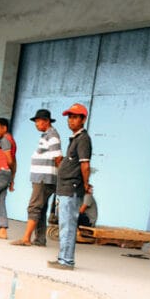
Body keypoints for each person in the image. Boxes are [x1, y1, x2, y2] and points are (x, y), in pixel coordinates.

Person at [49, 103, 93, 271]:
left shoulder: (83, 140)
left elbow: (85, 165)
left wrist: (86, 184)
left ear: (83, 119)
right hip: (65, 188)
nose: (71, 121)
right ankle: (62, 258)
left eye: (75, 117)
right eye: (70, 117)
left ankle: (67, 261)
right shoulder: (75, 139)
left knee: (68, 225)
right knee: (64, 225)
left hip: (71, 188)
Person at [11, 109, 60, 246]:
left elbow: (58, 158)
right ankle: (39, 239)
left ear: (46, 121)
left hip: (44, 179)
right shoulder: (46, 135)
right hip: (41, 178)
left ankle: (26, 238)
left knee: (34, 207)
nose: (36, 124)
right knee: (41, 208)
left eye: (38, 121)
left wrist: (59, 179)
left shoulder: (52, 136)